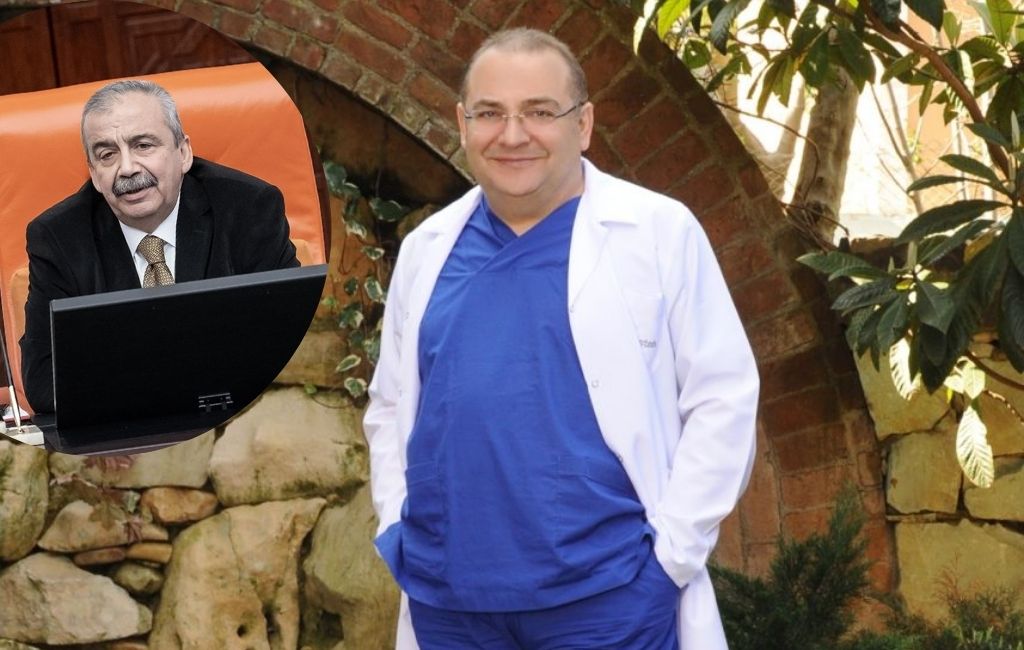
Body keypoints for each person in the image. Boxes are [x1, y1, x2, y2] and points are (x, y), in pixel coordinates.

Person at [364, 28, 759, 650]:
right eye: (490, 113)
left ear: (583, 124)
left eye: (540, 112)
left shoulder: (658, 233)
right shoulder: (427, 249)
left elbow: (723, 399)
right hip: (449, 605)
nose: (512, 135)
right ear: (463, 125)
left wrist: (668, 565)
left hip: (606, 601)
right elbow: (390, 405)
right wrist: (396, 525)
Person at [20, 80, 299, 412]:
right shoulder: (57, 239)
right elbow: (43, 382)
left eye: (143, 146)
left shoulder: (248, 209)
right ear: (93, 174)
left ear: (183, 153)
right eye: (107, 155)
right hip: (127, 429)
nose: (127, 169)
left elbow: (293, 340)